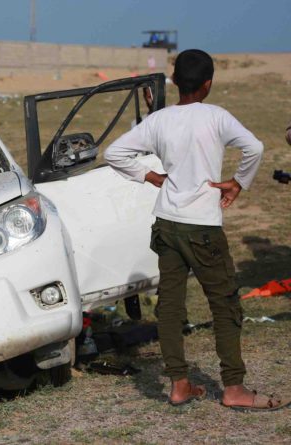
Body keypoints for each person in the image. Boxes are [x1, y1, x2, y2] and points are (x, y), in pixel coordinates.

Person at [105, 49, 288, 411]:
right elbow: (255, 146)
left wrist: (152, 176)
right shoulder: (216, 116)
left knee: (171, 306)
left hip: (167, 225)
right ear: (208, 84)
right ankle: (234, 388)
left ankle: (179, 384)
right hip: (203, 228)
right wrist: (238, 182)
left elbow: (115, 153)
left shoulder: (159, 120)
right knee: (224, 305)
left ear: (174, 82)